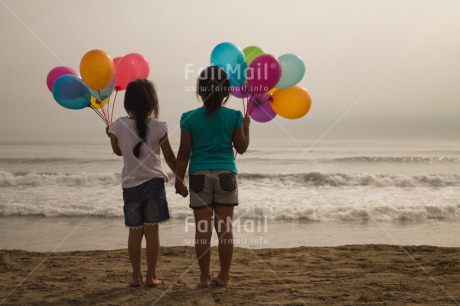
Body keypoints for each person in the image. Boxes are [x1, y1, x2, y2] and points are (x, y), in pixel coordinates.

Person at [175, 66, 250, 287]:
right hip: (226, 173)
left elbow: (183, 153)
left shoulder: (188, 118)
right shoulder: (234, 116)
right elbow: (242, 147)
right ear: (226, 92)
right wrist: (246, 126)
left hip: (199, 176)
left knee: (202, 230)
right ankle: (224, 277)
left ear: (200, 91)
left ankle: (204, 277)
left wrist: (179, 180)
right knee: (225, 229)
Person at [107, 79, 184, 287]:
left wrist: (111, 136)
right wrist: (180, 179)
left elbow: (118, 152)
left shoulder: (118, 125)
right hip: (153, 185)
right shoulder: (159, 127)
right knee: (152, 231)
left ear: (127, 103)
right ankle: (151, 276)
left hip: (131, 185)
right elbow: (169, 157)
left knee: (135, 232)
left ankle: (135, 276)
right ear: (153, 103)